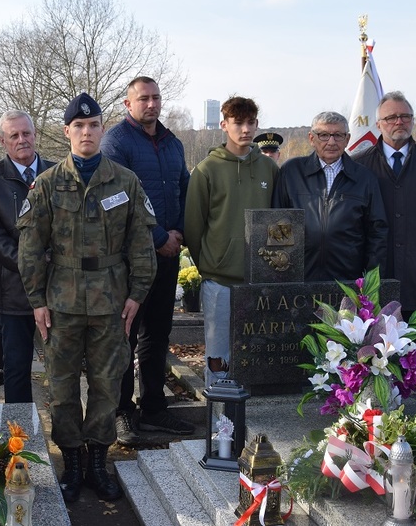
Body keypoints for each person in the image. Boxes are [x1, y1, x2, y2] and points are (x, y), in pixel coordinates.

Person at [17, 92, 156, 503]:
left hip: (112, 303)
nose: (86, 132)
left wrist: (137, 295)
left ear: (101, 129)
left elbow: (141, 245)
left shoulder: (125, 181)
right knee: (60, 388)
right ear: (67, 132)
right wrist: (37, 301)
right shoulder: (47, 183)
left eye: (93, 125)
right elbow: (29, 248)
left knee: (106, 385)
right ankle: (72, 461)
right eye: (78, 126)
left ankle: (99, 460)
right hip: (61, 303)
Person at [102, 76, 193, 445]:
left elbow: (184, 189)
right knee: (125, 334)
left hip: (168, 256)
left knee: (157, 334)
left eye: (156, 98)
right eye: (143, 99)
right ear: (128, 104)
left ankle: (154, 408)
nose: (151, 104)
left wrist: (180, 233)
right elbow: (116, 199)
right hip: (130, 258)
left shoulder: (172, 143)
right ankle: (122, 411)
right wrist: (158, 238)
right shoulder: (116, 143)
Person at [184, 96, 278, 387]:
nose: (245, 129)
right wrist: (212, 265)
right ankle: (220, 425)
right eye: (238, 123)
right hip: (220, 281)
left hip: (260, 279)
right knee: (219, 357)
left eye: (250, 122)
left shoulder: (269, 169)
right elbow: (194, 227)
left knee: (258, 352)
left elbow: (279, 221)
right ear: (224, 124)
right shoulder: (206, 170)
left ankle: (256, 419)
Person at [354, 92, 416, 322]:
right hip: (373, 278)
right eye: (391, 117)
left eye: (405, 116)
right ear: (379, 124)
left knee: (412, 353)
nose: (399, 122)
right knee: (368, 353)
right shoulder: (359, 164)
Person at [0, 110, 52, 404]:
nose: (22, 140)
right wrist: (33, 264)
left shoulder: (59, 173)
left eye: (27, 133)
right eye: (14, 135)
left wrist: (53, 261)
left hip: (57, 285)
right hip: (14, 289)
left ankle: (65, 435)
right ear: (2, 141)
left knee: (61, 368)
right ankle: (20, 437)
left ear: (35, 135)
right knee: (17, 367)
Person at [275, 111, 387, 282]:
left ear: (347, 139)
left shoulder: (365, 178)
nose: (331, 142)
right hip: (298, 277)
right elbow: (276, 221)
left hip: (348, 279)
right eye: (324, 135)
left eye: (338, 135)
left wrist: (371, 280)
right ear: (312, 138)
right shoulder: (291, 172)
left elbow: (377, 231)